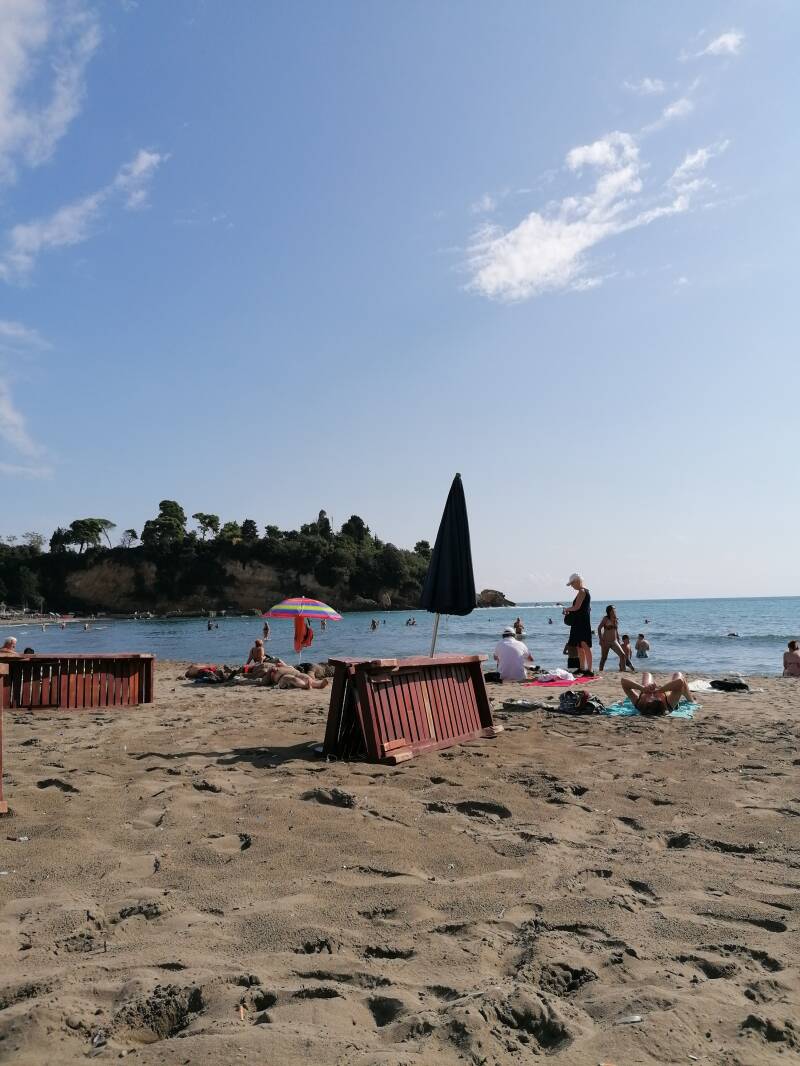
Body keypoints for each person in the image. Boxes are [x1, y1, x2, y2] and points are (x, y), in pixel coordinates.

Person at [621, 671, 692, 715]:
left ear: (645, 703)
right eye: (656, 696)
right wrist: (661, 690)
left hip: (647, 690)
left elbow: (623, 682)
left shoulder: (639, 702)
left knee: (647, 673)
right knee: (678, 674)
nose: (652, 694)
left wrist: (642, 688)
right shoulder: (669, 703)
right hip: (670, 691)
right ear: (662, 702)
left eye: (650, 696)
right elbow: (680, 682)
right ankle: (690, 699)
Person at [563, 574, 593, 675]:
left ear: (577, 581)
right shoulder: (584, 591)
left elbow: (577, 607)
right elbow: (587, 608)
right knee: (579, 646)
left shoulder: (582, 591)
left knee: (584, 645)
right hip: (580, 622)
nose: (572, 586)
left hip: (581, 623)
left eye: (572, 583)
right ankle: (582, 668)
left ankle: (590, 670)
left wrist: (567, 609)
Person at [597, 605, 634, 672]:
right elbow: (599, 628)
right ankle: (600, 671)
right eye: (613, 609)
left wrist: (618, 639)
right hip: (606, 641)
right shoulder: (605, 618)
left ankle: (623, 670)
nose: (614, 610)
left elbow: (616, 630)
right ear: (609, 611)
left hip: (614, 641)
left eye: (615, 609)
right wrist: (601, 639)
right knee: (604, 658)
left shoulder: (615, 619)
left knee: (622, 655)